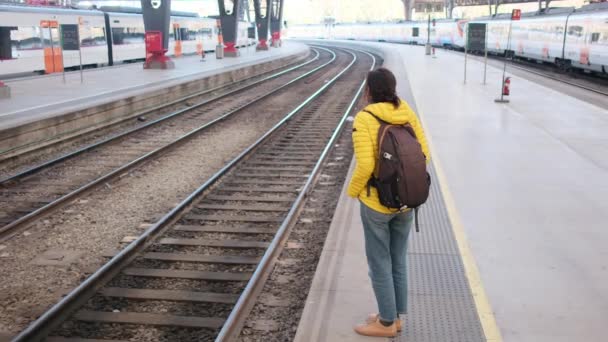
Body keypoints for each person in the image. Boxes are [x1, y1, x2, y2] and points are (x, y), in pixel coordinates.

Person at [347, 67, 430, 337]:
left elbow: (365, 166)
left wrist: (354, 192)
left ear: (369, 91)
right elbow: (424, 154)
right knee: (397, 259)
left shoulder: (365, 118)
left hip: (377, 205)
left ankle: (385, 323)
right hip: (406, 201)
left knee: (379, 261)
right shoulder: (406, 111)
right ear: (393, 88)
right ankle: (395, 316)